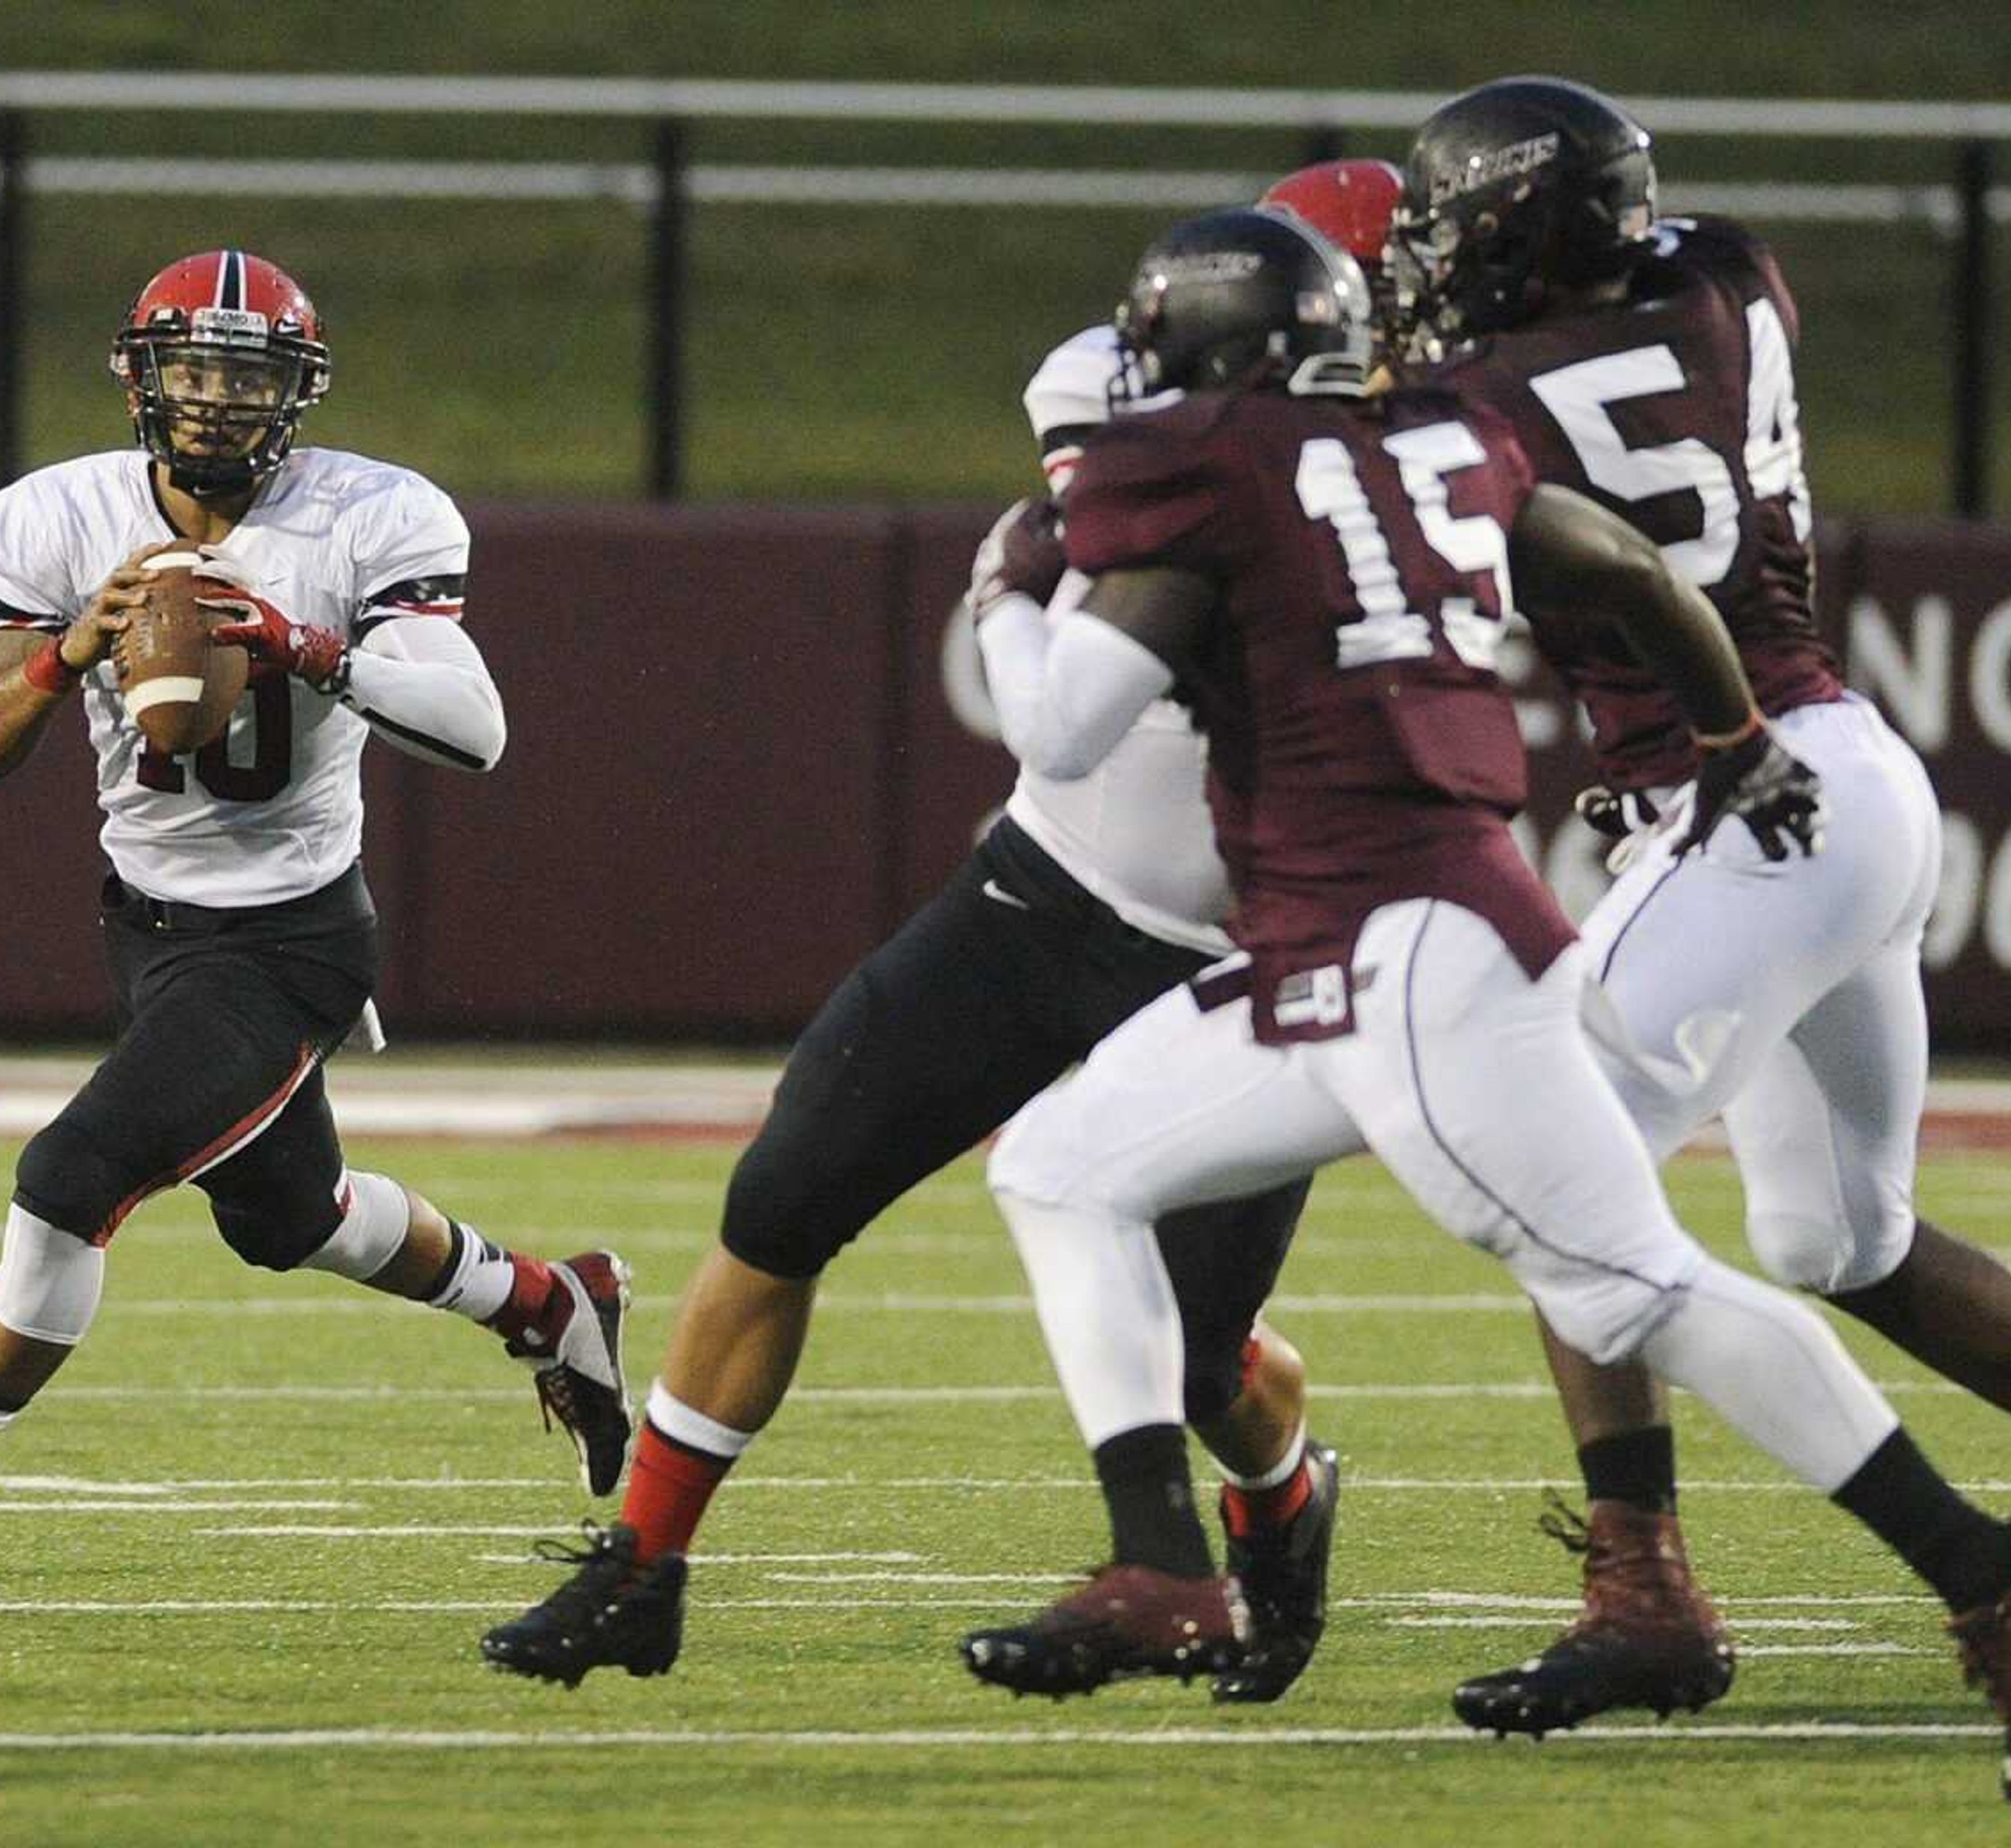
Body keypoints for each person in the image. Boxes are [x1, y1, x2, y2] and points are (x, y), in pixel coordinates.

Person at [957, 205, 2011, 1801]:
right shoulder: (1437, 433)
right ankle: (1159, 1562)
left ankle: (1990, 1567)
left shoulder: (1217, 462)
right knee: (1062, 1163)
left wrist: (1007, 597)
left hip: (1397, 961)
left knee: (1634, 1287)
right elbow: (1628, 564)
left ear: (1212, 358)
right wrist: (1736, 739)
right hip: (1376, 937)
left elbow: (1067, 727)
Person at [1382, 77, 2011, 1737]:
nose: (1434, 268)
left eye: (1460, 232)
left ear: (1525, 229)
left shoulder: (1489, 399)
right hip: (1848, 778)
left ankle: (1642, 1589)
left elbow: (1456, 513)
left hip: (1756, 798)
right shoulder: (1732, 277)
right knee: (1836, 1237)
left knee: (1549, 1146)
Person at [474, 167, 1408, 1705]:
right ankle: (642, 1566)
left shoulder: (1447, 450)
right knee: (784, 1196)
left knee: (1194, 1356)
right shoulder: (1139, 390)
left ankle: (1283, 1494)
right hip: (1049, 887)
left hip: (1248, 946)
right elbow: (1112, 495)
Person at [0, 249, 629, 1582]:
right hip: (148, 928)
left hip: (289, 936)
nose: (217, 401)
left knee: (66, 1180)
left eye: (248, 376)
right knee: (297, 1220)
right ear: (140, 380)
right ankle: (553, 1302)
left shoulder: (372, 518)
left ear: (299, 394)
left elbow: (479, 731)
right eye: (194, 371)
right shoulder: (52, 520)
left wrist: (303, 645)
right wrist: (64, 654)